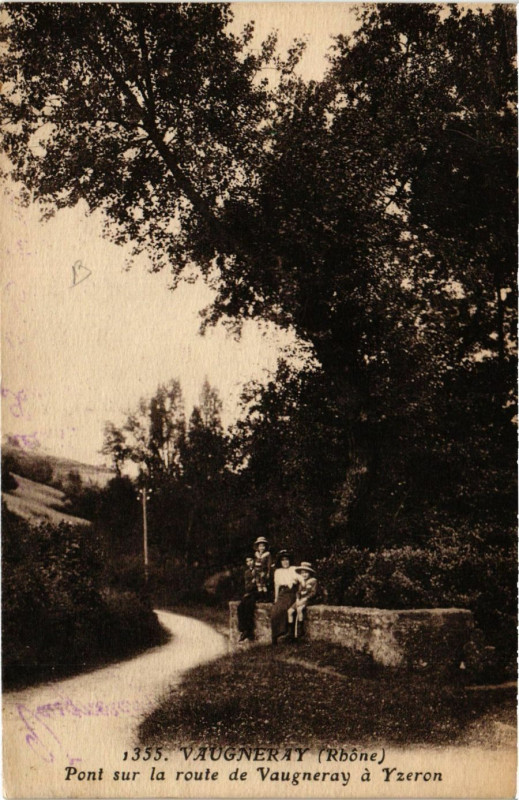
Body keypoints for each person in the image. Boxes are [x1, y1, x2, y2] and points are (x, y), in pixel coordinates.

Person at [270, 550, 302, 645]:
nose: (285, 562)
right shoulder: (278, 571)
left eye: (287, 560)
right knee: (274, 611)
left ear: (290, 561)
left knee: (284, 608)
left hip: (291, 592)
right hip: (282, 593)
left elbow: (301, 581)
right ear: (280, 562)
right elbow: (277, 586)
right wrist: (276, 598)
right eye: (283, 560)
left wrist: (300, 592)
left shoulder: (294, 569)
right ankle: (275, 636)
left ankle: (286, 634)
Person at [288, 562, 318, 640]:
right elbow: (298, 592)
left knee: (299, 609)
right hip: (300, 599)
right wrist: (297, 599)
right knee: (290, 611)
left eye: (306, 573)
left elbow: (313, 593)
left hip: (308, 600)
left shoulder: (313, 581)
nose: (304, 575)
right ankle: (291, 633)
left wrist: (305, 599)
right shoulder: (301, 581)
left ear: (310, 573)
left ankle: (300, 631)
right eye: (302, 573)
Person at [237, 556, 257, 642]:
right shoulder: (247, 572)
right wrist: (252, 583)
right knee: (240, 606)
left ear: (254, 560)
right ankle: (244, 630)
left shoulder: (259, 569)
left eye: (251, 560)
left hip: (259, 592)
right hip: (250, 592)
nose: (249, 563)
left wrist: (254, 583)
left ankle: (249, 630)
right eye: (247, 561)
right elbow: (247, 587)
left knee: (249, 605)